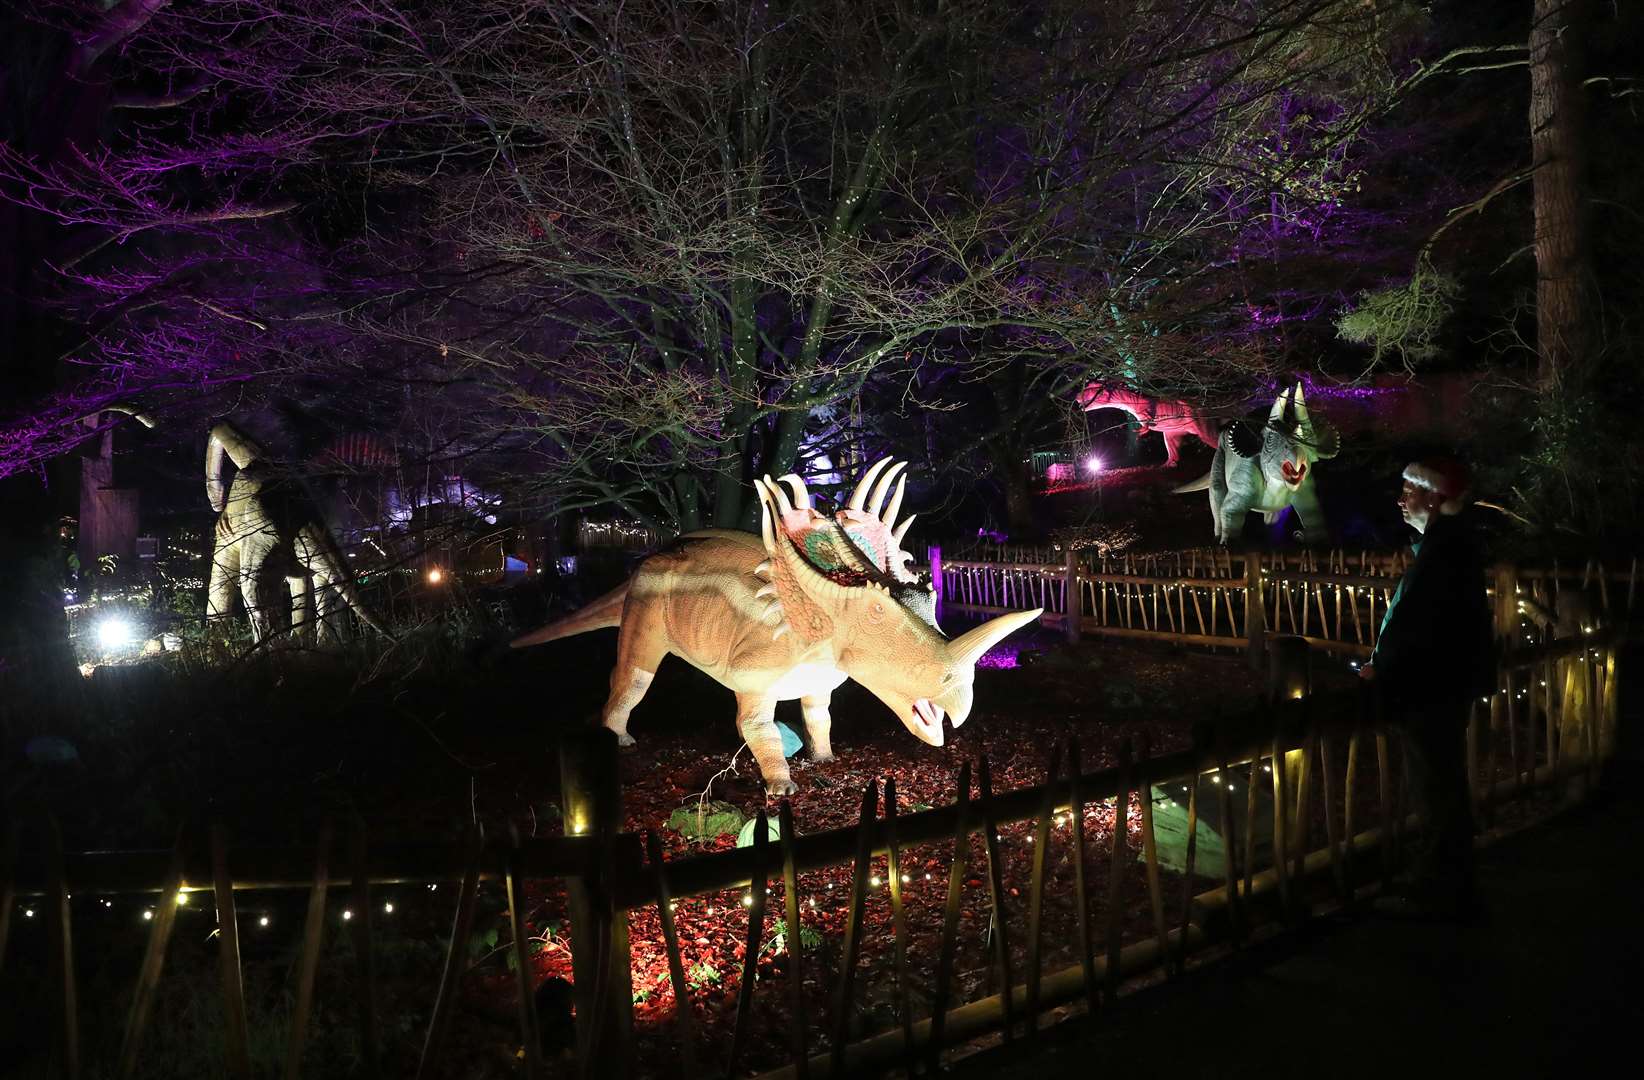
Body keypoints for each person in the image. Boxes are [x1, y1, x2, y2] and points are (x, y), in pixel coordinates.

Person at [1357, 457, 1494, 919]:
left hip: (1430, 690)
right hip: (1440, 686)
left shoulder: (1443, 553)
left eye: (1409, 491)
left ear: (1433, 497)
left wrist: (1382, 668)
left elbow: (1417, 626)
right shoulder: (1444, 548)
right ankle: (1449, 877)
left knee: (1435, 784)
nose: (1400, 500)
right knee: (1442, 781)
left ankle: (1438, 885)